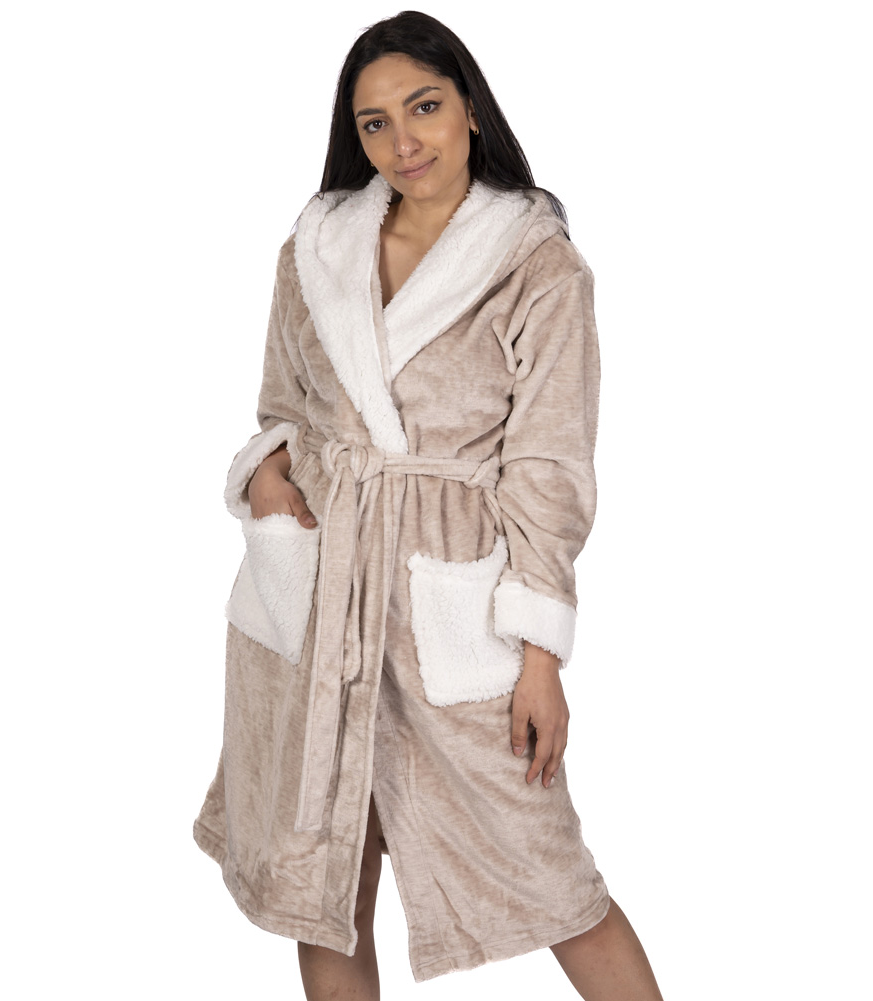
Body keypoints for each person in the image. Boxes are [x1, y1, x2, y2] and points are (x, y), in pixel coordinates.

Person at [193, 10, 664, 999]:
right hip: (317, 590)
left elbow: (549, 468)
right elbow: (283, 404)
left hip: (448, 602)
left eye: (423, 107)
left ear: (469, 110)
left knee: (552, 882)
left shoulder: (535, 262)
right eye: (373, 123)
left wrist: (539, 656)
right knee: (321, 878)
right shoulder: (316, 245)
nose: (402, 142)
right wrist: (268, 474)